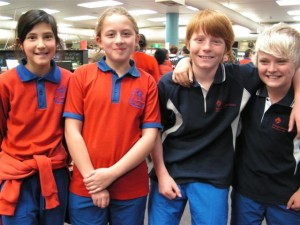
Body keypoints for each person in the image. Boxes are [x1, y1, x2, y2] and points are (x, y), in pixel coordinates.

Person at [148, 9, 300, 225]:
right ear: (188, 44)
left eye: (216, 41)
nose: (207, 47)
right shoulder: (168, 83)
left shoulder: (241, 78)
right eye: (199, 40)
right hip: (170, 171)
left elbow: (290, 61)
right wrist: (161, 174)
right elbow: (154, 131)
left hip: (213, 175)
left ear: (227, 49)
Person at [63, 6, 161, 225]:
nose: (119, 40)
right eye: (111, 34)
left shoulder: (147, 83)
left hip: (131, 186)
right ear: (99, 40)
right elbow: (72, 131)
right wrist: (94, 182)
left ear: (137, 39)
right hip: (85, 184)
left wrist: (111, 174)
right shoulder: (81, 76)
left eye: (126, 34)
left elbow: (149, 137)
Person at [0, 9, 71, 225]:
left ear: (56, 42)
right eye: (32, 37)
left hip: (55, 172)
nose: (41, 44)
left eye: (47, 37)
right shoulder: (6, 83)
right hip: (16, 174)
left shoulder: (69, 81)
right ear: (21, 44)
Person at [231, 23, 300, 225]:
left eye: (281, 61)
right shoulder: (249, 92)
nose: (271, 69)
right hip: (246, 192)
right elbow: (210, 67)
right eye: (264, 61)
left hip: (286, 197)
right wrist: (185, 63)